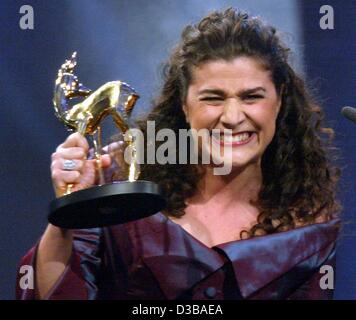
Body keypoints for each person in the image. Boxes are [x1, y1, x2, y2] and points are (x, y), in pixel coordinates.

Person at [16, 8, 341, 300]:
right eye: (213, 98)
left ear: (279, 100)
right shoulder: (122, 183)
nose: (232, 116)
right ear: (184, 106)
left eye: (251, 97)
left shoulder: (307, 227)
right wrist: (68, 213)